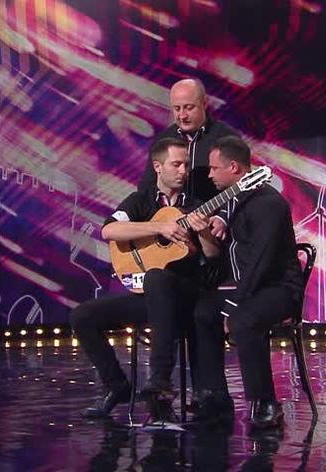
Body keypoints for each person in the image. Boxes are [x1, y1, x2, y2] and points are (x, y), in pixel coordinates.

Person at [70, 137, 219, 422]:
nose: (183, 171)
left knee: (156, 278)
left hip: (184, 296)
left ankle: (159, 381)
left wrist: (203, 233)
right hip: (150, 298)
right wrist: (159, 227)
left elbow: (212, 255)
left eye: (186, 165)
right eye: (176, 164)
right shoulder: (141, 200)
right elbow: (109, 231)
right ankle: (117, 387)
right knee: (81, 316)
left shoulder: (196, 205)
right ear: (158, 167)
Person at [192, 136, 304, 430]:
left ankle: (266, 402)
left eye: (214, 168)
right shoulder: (235, 202)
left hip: (277, 288)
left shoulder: (268, 204)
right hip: (248, 286)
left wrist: (233, 304)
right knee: (202, 312)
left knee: (243, 320)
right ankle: (215, 395)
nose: (210, 174)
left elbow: (261, 264)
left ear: (234, 167)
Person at [139, 78, 239, 206]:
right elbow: (146, 188)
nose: (182, 116)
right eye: (177, 109)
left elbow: (239, 190)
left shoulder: (228, 139)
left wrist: (221, 216)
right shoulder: (163, 140)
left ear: (204, 104)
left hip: (212, 214)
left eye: (189, 108)